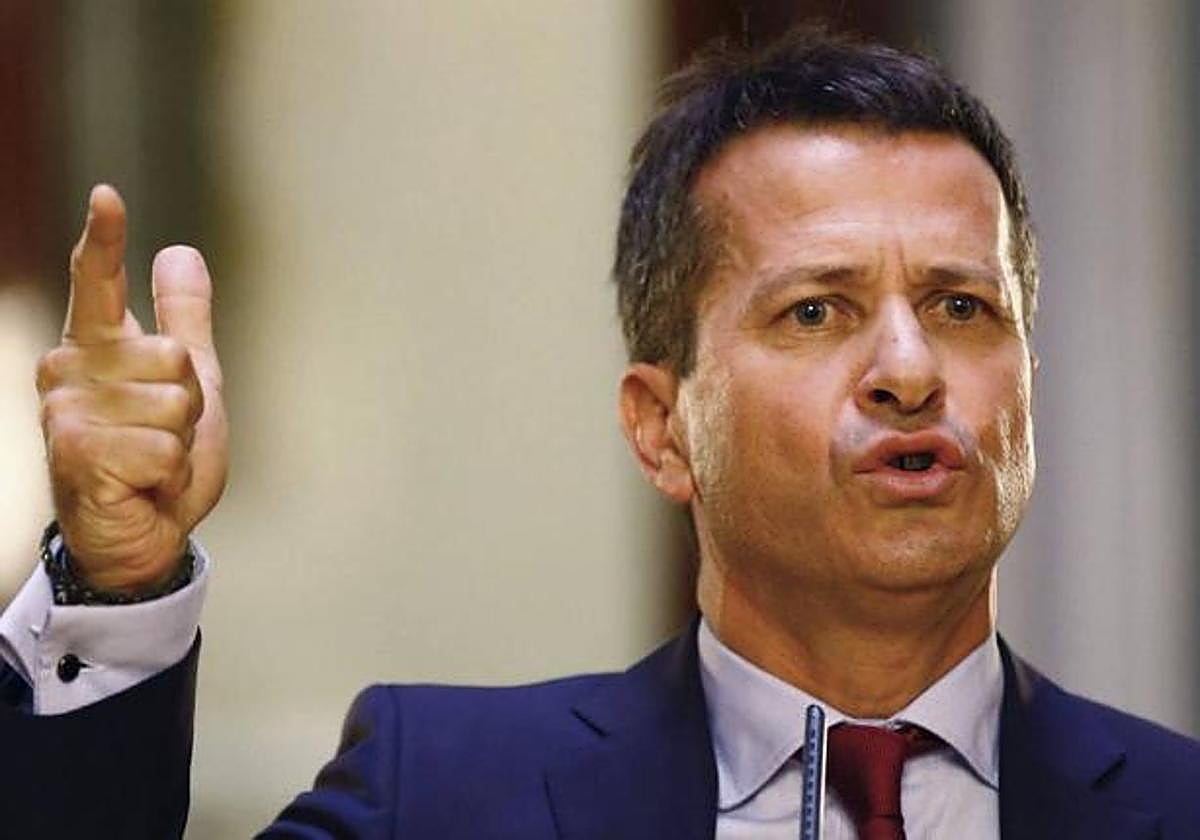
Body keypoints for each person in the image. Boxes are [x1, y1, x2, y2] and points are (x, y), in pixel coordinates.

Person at [5, 26, 1199, 839]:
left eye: (961, 308)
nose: (908, 370)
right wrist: (119, 584)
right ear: (661, 426)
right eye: (816, 310)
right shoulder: (445, 794)